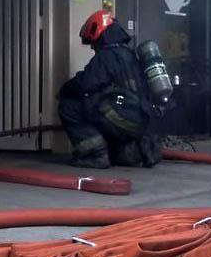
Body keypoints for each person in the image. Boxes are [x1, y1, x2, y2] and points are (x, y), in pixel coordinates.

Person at [57, 9, 155, 169]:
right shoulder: (128, 54)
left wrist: (63, 90)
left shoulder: (107, 56)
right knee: (102, 104)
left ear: (100, 36)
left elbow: (84, 83)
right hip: (140, 122)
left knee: (69, 106)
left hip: (124, 117)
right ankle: (135, 150)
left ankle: (96, 155)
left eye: (93, 43)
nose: (93, 48)